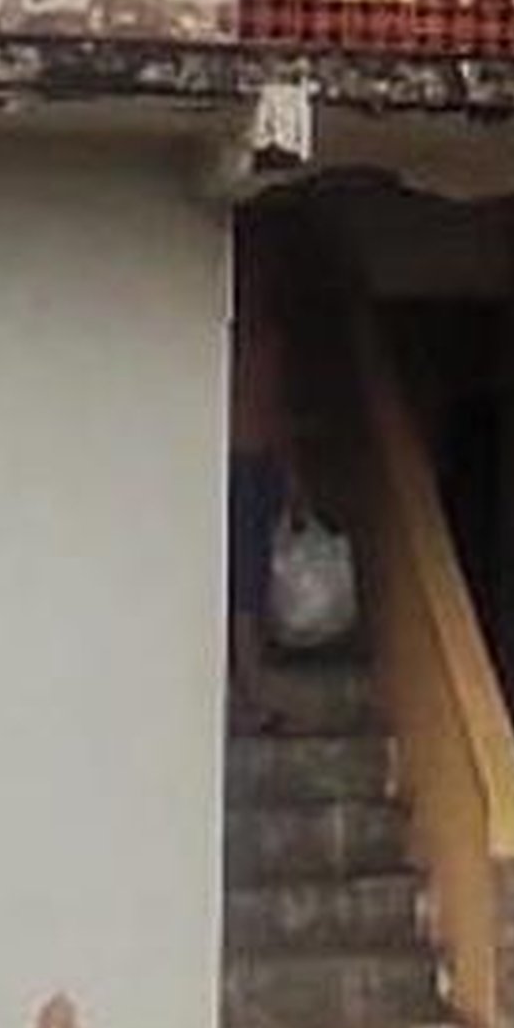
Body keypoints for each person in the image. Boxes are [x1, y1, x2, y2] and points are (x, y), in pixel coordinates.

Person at [226, 284, 294, 710]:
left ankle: (252, 682)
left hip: (254, 460)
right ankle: (251, 686)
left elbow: (273, 410)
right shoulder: (248, 341)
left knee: (252, 579)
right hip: (244, 461)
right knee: (247, 581)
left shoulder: (266, 341)